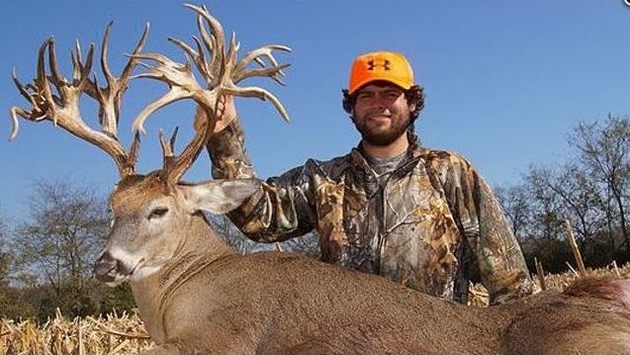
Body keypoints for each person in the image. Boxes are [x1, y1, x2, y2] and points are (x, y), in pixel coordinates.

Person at [203, 50, 533, 305]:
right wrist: (223, 136)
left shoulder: (452, 173)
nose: (378, 104)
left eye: (389, 93)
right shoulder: (324, 181)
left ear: (413, 102)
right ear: (352, 107)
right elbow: (260, 217)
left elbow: (512, 283)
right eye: (366, 95)